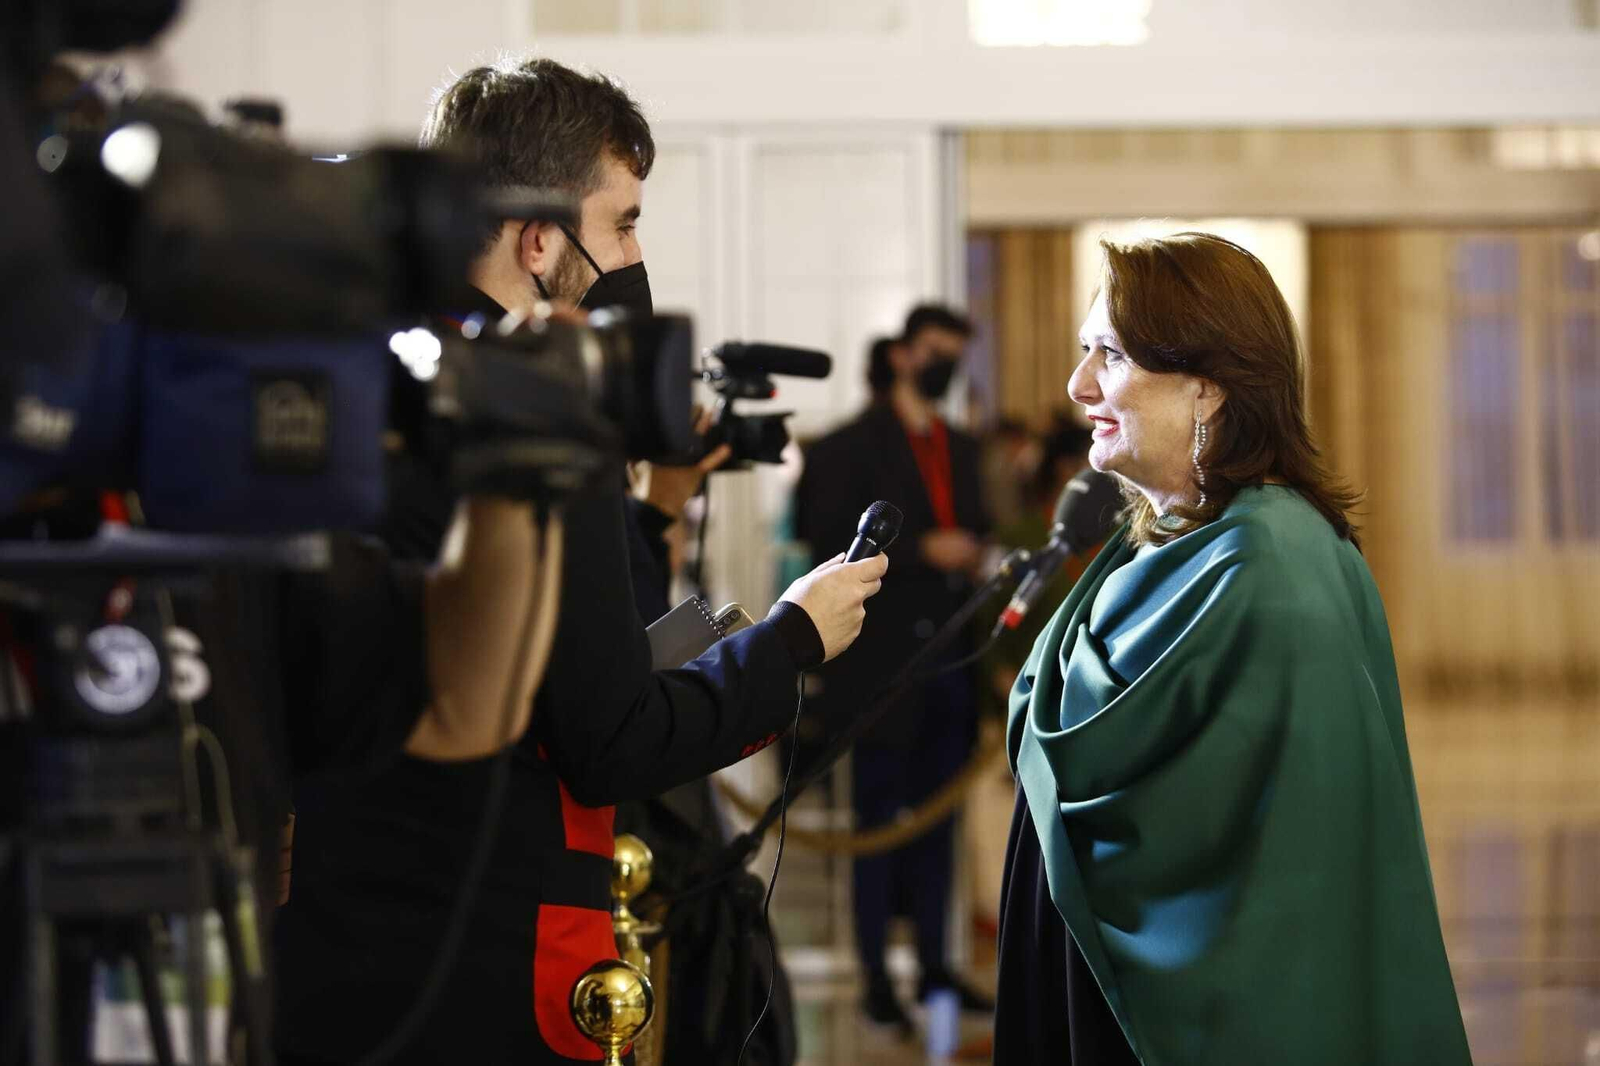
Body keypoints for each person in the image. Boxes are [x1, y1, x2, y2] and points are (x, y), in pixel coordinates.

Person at [272, 58, 887, 1066]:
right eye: (625, 222)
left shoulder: (350, 381)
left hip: (331, 945)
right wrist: (791, 639)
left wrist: (655, 511)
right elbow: (610, 736)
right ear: (540, 236)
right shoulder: (540, 421)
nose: (637, 254)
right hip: (490, 948)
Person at [994, 233, 1471, 1064]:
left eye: (1108, 354)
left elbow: (1276, 875)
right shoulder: (1163, 540)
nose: (1077, 388)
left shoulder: (1276, 569)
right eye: (1083, 352)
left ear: (1207, 386)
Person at [795, 304, 994, 1034]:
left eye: (956, 354)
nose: (945, 366)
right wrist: (920, 553)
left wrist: (973, 551)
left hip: (950, 658)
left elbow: (977, 525)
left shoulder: (963, 446)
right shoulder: (850, 447)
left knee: (940, 827)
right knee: (875, 828)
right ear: (906, 354)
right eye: (937, 351)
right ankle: (879, 977)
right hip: (878, 667)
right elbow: (824, 543)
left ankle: (938, 969)